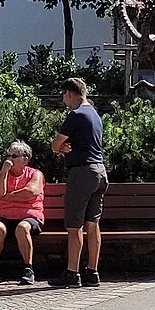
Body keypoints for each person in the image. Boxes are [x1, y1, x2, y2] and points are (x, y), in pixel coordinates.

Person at [48, 77, 105, 287]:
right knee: (93, 224)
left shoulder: (76, 115)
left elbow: (55, 144)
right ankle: (93, 271)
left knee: (74, 226)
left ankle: (72, 273)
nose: (64, 101)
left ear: (70, 93)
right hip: (100, 171)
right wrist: (64, 148)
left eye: (64, 96)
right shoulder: (96, 115)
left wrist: (60, 149)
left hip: (81, 173)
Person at [0, 140, 45, 285]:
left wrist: (6, 196)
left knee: (22, 228)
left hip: (30, 216)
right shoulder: (0, 175)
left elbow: (31, 192)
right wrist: (5, 171)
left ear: (25, 159)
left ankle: (28, 269)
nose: (9, 159)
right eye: (9, 156)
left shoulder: (35, 174)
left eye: (14, 156)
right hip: (4, 215)